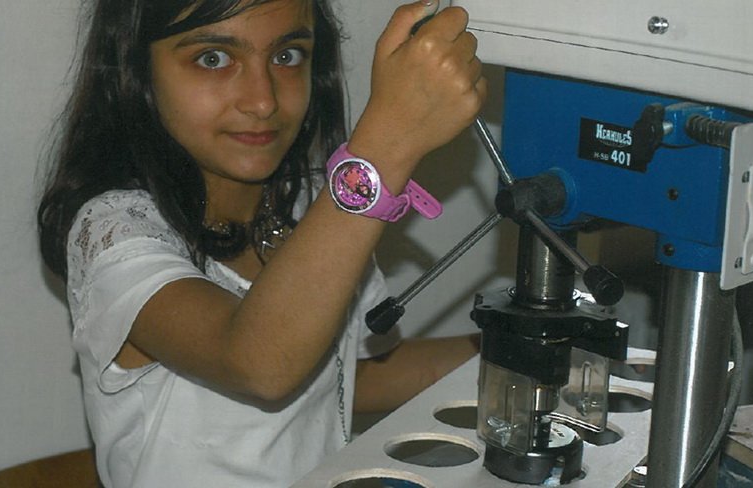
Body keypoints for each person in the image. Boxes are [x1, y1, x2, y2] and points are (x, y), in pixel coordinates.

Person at [37, 0, 487, 486]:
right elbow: (259, 363)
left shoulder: (316, 208)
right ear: (136, 69)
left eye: (287, 56)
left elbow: (344, 378)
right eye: (213, 58)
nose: (262, 100)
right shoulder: (112, 228)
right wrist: (386, 144)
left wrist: (515, 350)